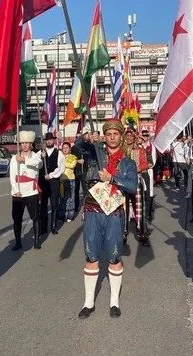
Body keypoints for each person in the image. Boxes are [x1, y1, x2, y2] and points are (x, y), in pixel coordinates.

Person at [79, 119, 138, 319]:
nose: (112, 137)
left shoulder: (129, 162)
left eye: (116, 134)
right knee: (91, 256)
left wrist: (112, 179)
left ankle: (114, 301)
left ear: (121, 137)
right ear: (105, 136)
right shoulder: (95, 154)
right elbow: (77, 148)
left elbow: (132, 186)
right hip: (93, 212)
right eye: (109, 134)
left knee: (114, 258)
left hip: (114, 214)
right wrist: (87, 138)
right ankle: (88, 302)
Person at [9, 130, 42, 251]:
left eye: (27, 143)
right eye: (22, 143)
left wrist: (23, 160)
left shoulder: (35, 156)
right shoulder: (14, 158)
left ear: (31, 144)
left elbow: (38, 164)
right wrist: (16, 189)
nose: (24, 145)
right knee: (17, 218)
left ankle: (37, 241)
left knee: (35, 217)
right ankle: (18, 242)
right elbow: (12, 175)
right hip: (18, 192)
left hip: (31, 191)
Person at [39, 132, 65, 235]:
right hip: (43, 181)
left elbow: (61, 168)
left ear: (54, 140)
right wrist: (41, 157)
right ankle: (43, 227)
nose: (49, 141)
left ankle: (53, 226)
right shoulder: (40, 153)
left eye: (51, 139)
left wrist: (50, 175)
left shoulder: (59, 153)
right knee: (43, 205)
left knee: (54, 204)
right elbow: (36, 164)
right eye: (47, 139)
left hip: (54, 181)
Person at [140, 129, 157, 221]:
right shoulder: (139, 146)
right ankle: (141, 211)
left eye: (146, 136)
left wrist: (146, 166)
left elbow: (153, 161)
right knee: (141, 191)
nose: (145, 137)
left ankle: (148, 213)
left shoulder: (151, 147)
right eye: (143, 135)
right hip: (140, 172)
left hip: (148, 171)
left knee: (149, 192)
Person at [60, 142, 79, 222]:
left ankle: (69, 216)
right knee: (62, 198)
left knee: (70, 198)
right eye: (63, 148)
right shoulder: (60, 156)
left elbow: (72, 165)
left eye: (66, 148)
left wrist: (62, 162)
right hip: (61, 180)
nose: (65, 149)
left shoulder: (73, 157)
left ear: (70, 149)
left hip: (70, 180)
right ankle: (61, 216)